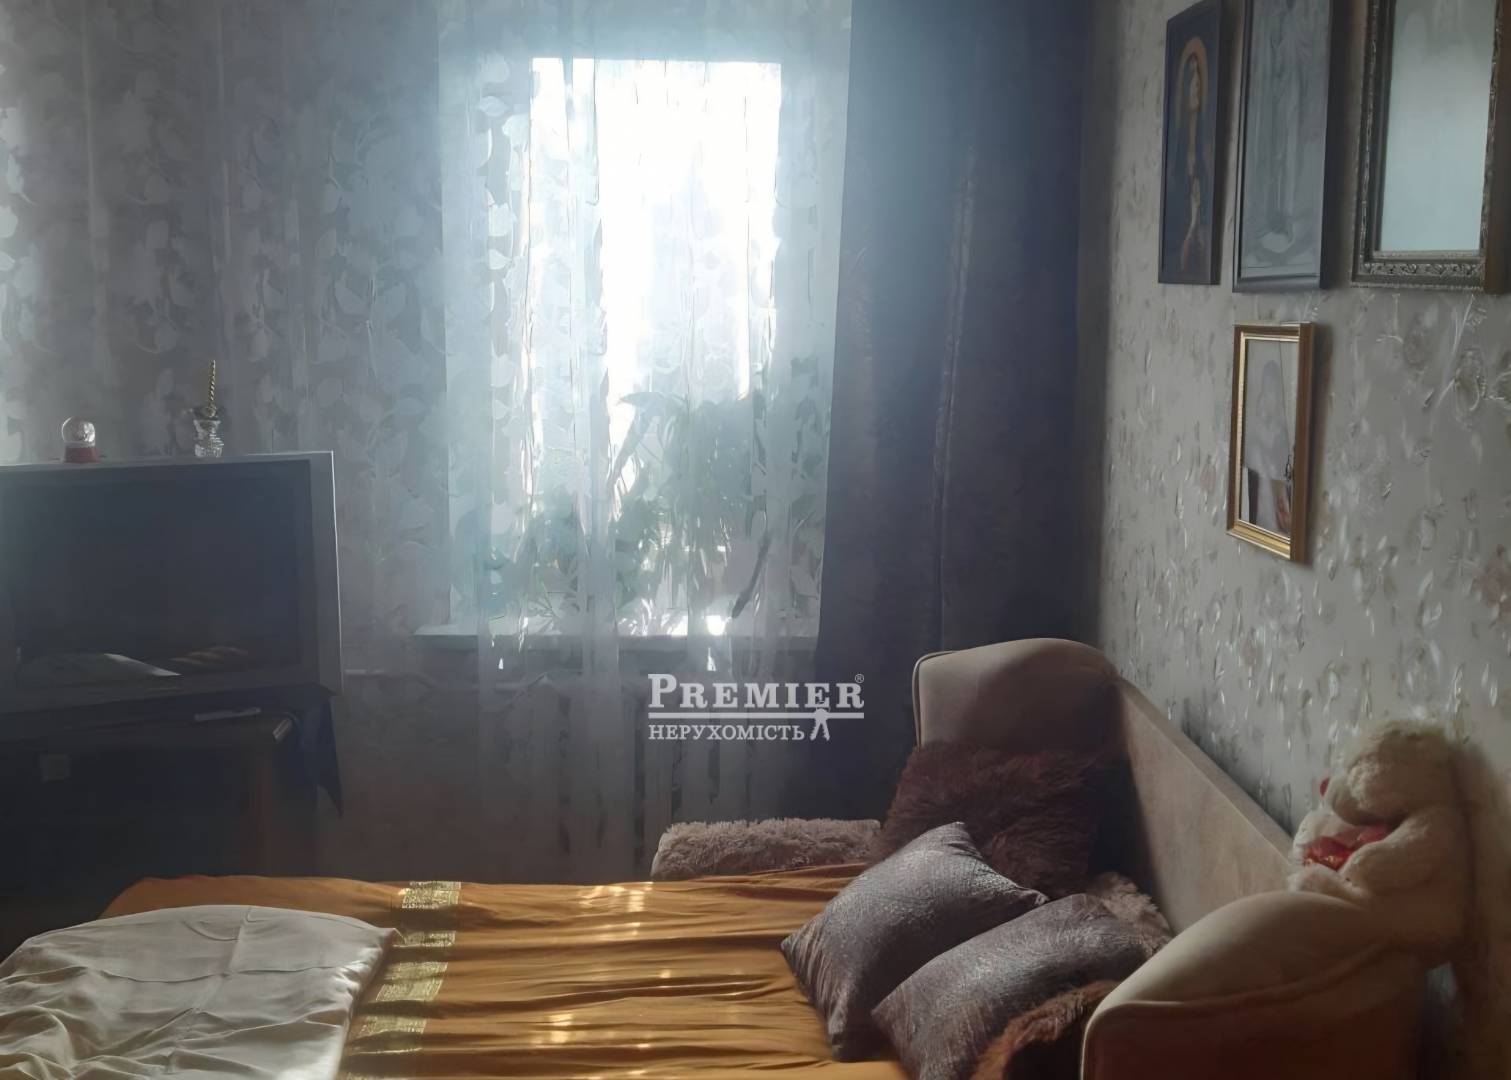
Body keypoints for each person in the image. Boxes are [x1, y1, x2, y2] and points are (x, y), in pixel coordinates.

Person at [1243, 357, 1293, 534]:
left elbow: (1283, 465)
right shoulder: (1255, 424)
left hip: (1275, 495)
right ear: (1263, 392)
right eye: (1269, 391)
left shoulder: (1282, 428)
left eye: (1276, 392)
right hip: (1260, 497)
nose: (1274, 398)